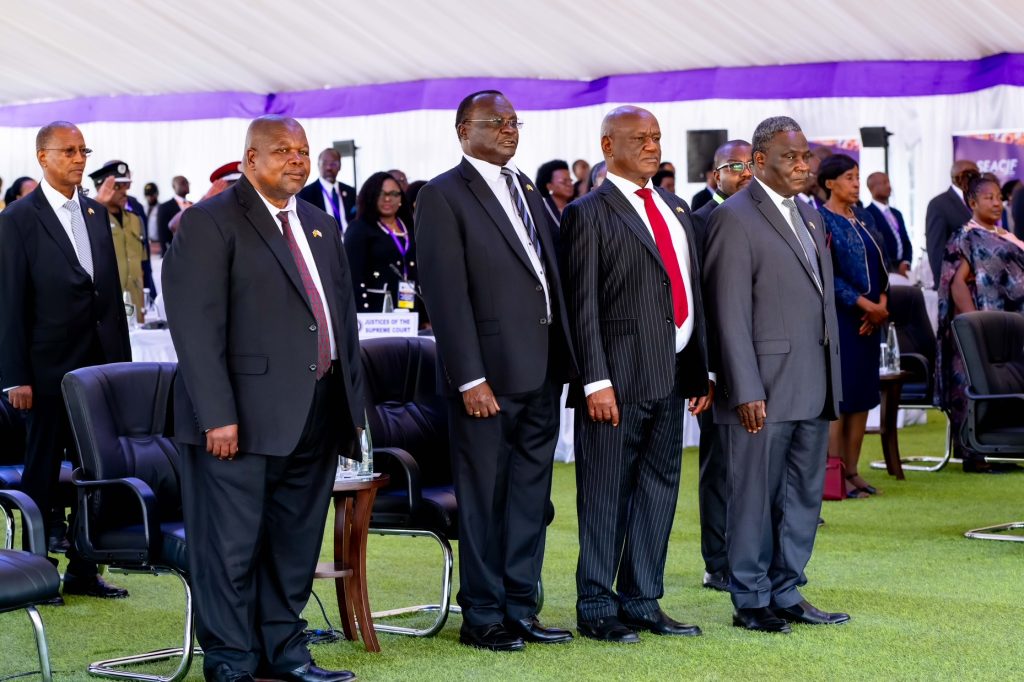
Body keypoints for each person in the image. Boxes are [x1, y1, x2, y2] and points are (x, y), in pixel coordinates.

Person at [162, 115, 362, 682]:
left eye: (302, 150)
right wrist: (217, 416)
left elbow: (339, 323)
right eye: (282, 151)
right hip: (237, 422)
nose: (297, 160)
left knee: (295, 545)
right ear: (250, 159)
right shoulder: (209, 222)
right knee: (230, 549)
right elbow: (195, 331)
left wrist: (352, 410)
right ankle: (231, 661)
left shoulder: (322, 225)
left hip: (315, 415)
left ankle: (286, 653)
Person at [416, 90, 576, 652]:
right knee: (483, 498)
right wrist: (468, 377)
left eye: (514, 122)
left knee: (531, 495)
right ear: (464, 130)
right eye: (496, 122)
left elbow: (546, 275)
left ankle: (520, 606)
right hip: (486, 377)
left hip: (542, 369)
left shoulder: (527, 188)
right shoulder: (442, 195)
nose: (509, 130)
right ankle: (481, 614)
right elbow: (445, 294)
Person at [561, 106, 710, 643]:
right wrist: (594, 381)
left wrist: (700, 373)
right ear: (607, 146)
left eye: (656, 138)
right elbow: (581, 307)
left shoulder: (675, 207)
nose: (652, 146)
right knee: (604, 491)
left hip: (672, 375)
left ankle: (643, 600)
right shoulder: (588, 212)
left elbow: (690, 291)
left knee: (660, 487)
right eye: (639, 138)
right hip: (615, 382)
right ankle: (596, 604)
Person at [703, 115, 846, 634]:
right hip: (760, 388)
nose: (803, 164)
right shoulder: (734, 218)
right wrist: (743, 386)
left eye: (806, 155)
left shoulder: (809, 216)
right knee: (753, 499)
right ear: (760, 161)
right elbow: (728, 312)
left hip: (813, 382)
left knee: (802, 496)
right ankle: (750, 599)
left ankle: (787, 590)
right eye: (791, 156)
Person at [0, 121, 131, 600]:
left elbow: (110, 298)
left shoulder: (97, 213)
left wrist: (123, 367)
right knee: (40, 476)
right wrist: (14, 376)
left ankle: (84, 567)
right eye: (69, 151)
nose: (79, 159)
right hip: (44, 372)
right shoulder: (17, 219)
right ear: (42, 157)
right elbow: (9, 304)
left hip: (98, 372)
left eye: (83, 150)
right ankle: (36, 573)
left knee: (96, 471)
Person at [688, 138, 752, 592]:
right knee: (721, 465)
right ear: (716, 175)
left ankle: (752, 555)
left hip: (760, 361)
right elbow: (702, 302)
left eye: (752, 164)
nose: (745, 173)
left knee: (754, 466)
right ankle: (718, 561)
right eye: (735, 166)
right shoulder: (701, 221)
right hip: (717, 365)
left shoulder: (765, 217)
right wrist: (706, 370)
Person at [936, 175, 1024, 474]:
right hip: (980, 326)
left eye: (999, 197)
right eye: (989, 197)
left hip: (1009, 327)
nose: (997, 202)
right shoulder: (965, 236)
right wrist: (975, 326)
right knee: (972, 383)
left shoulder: (1004, 234)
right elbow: (957, 284)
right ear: (972, 203)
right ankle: (973, 454)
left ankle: (1000, 443)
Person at [818, 155, 889, 498]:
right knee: (841, 398)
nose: (855, 183)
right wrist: (865, 306)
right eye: (849, 177)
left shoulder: (863, 218)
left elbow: (882, 264)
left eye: (857, 177)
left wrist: (882, 305)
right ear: (829, 183)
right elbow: (827, 275)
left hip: (871, 319)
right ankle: (836, 473)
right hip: (844, 319)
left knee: (861, 397)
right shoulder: (821, 219)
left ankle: (855, 470)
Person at [343, 171, 422, 317]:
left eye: (394, 194)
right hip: (375, 314)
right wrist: (362, 317)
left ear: (401, 198)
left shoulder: (411, 228)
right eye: (381, 193)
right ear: (371, 196)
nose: (387, 199)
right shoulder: (359, 229)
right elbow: (352, 278)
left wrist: (424, 316)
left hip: (410, 309)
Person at [89, 161, 148, 323]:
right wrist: (98, 201)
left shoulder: (135, 219)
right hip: (106, 303)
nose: (124, 192)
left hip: (135, 303)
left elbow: (142, 266)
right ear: (101, 188)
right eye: (117, 187)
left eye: (126, 185)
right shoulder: (92, 218)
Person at [926, 160, 979, 288]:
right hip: (956, 282)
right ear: (956, 177)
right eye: (969, 174)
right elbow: (936, 248)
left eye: (976, 174)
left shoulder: (978, 200)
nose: (974, 178)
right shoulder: (939, 204)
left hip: (980, 281)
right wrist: (944, 286)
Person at [297, 148, 356, 234]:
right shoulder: (305, 194)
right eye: (324, 163)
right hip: (323, 241)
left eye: (333, 164)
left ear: (340, 166)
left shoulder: (351, 192)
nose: (329, 167)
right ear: (318, 165)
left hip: (349, 241)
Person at [865, 171, 913, 276]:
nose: (889, 186)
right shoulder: (867, 214)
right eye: (884, 183)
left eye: (888, 182)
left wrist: (906, 262)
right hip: (882, 271)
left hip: (902, 270)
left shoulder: (897, 213)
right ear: (872, 187)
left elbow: (906, 241)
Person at [155, 175, 190, 254]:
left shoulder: (193, 205)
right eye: (183, 183)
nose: (186, 185)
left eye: (187, 182)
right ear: (174, 187)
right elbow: (162, 233)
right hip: (175, 252)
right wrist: (166, 253)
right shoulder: (165, 207)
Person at [535, 159, 573, 223]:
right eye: (564, 182)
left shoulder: (577, 207)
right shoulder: (541, 211)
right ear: (549, 186)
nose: (570, 184)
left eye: (570, 180)